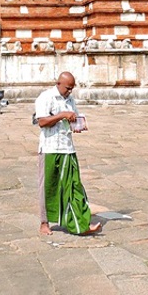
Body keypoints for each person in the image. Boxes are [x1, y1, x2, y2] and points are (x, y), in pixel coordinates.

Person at [35, 71, 101, 236]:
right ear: (59, 84)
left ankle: (79, 222)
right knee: (48, 187)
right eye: (67, 88)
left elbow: (73, 117)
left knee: (74, 186)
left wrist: (77, 124)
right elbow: (42, 121)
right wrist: (62, 115)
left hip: (67, 148)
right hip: (50, 148)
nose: (70, 91)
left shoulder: (70, 100)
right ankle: (44, 223)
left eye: (72, 88)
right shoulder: (46, 97)